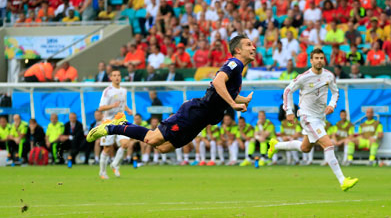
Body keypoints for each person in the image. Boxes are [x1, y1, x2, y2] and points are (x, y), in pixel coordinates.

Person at [87, 35, 255, 160]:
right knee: (152, 138)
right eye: (248, 44)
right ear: (238, 50)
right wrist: (233, 104)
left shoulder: (238, 71)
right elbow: (218, 82)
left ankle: (122, 125)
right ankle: (114, 126)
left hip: (202, 120)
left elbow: (222, 91)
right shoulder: (235, 64)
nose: (253, 47)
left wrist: (242, 100)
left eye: (253, 44)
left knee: (164, 148)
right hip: (196, 113)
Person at [268, 48, 358, 191]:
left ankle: (276, 145)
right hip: (307, 116)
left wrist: (331, 105)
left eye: (321, 58)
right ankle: (343, 180)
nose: (319, 60)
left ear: (324, 60)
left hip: (320, 117)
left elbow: (335, 93)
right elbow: (287, 91)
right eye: (316, 58)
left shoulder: (329, 76)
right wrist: (289, 111)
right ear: (311, 60)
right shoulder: (303, 77)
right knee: (328, 145)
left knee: (305, 148)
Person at [97, 69, 133, 179]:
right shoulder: (107, 91)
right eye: (114, 75)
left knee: (125, 143)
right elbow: (101, 108)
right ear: (111, 78)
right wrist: (112, 106)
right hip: (109, 122)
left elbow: (123, 103)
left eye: (118, 75)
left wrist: (127, 109)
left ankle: (115, 164)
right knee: (107, 149)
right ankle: (102, 172)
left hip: (120, 120)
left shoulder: (124, 90)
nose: (117, 77)